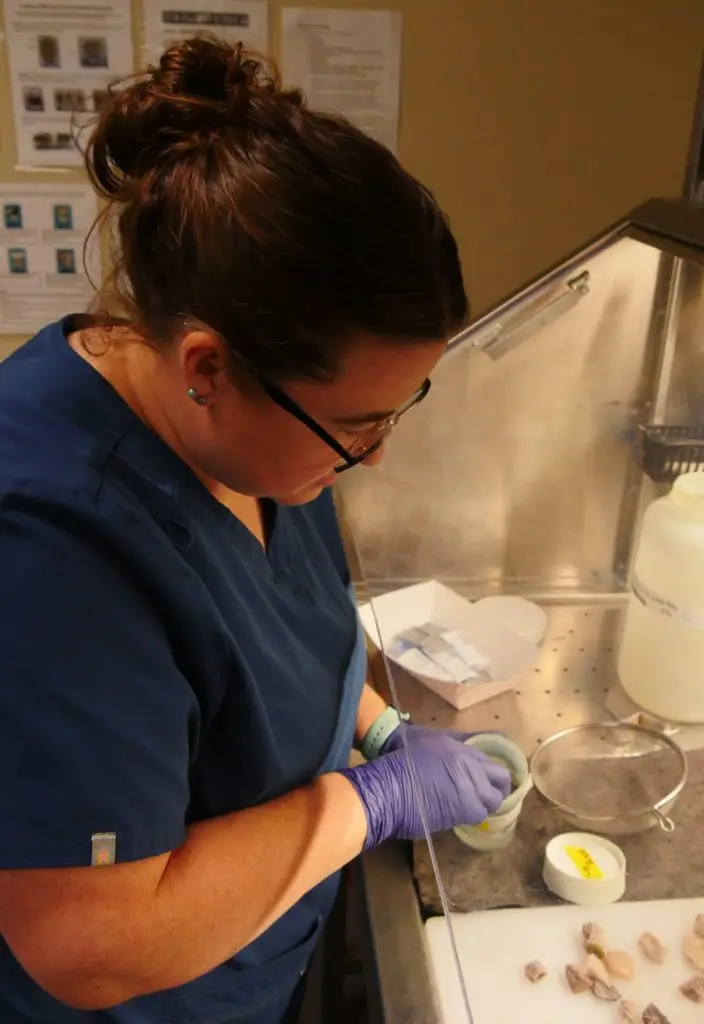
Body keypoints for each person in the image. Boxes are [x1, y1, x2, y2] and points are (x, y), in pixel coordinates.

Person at [0, 37, 510, 1024]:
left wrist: (374, 726)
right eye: (356, 422)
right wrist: (372, 801)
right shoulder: (53, 550)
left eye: (397, 411)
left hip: (261, 954)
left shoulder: (244, 438)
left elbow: (270, 635)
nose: (374, 456)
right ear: (209, 366)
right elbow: (89, 946)